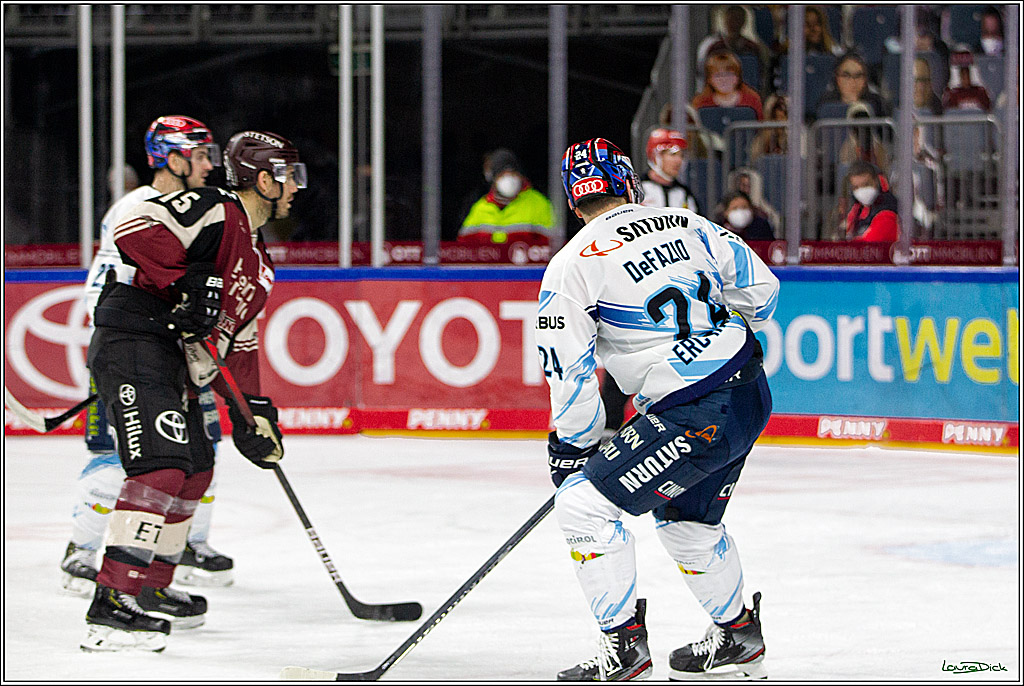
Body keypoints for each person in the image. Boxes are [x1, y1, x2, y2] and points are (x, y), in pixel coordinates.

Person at [540, 138, 778, 680]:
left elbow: (567, 369)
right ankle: (739, 636)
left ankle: (625, 653)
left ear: (575, 203)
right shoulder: (686, 222)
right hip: (747, 392)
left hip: (697, 413)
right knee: (687, 522)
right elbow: (763, 294)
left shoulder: (571, 265)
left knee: (582, 506)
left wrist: (572, 447)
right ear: (629, 183)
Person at [80, 130, 304, 652]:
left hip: (173, 362)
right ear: (264, 180)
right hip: (135, 340)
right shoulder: (216, 208)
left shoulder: (261, 264)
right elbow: (135, 230)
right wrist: (186, 281)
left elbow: (238, 345)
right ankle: (111, 604)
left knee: (196, 465)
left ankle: (152, 586)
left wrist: (254, 416)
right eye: (289, 175)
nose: (296, 186)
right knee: (161, 463)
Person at [62, 116, 234, 607]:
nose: (209, 165)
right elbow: (117, 286)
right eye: (199, 155)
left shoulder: (195, 205)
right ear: (172, 157)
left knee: (199, 455)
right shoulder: (136, 208)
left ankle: (182, 546)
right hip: (133, 348)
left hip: (176, 352)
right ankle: (82, 548)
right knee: (128, 460)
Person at [458, 148, 555, 245]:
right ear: (493, 178)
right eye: (502, 174)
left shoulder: (539, 204)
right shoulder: (480, 209)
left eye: (513, 173)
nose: (509, 178)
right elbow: (463, 250)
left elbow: (555, 246)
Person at [691, 50, 764, 120]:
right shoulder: (700, 102)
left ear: (738, 77)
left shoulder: (752, 100)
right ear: (709, 79)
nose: (724, 79)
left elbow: (762, 129)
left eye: (729, 74)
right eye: (718, 75)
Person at [817, 52, 891, 118]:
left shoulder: (877, 104)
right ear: (836, 78)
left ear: (865, 79)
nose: (852, 81)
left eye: (858, 76)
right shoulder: (826, 104)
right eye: (846, 75)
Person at [845, 160, 899, 242]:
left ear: (876, 181)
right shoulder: (857, 211)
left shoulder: (888, 210)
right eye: (856, 187)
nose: (862, 191)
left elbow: (869, 244)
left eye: (866, 184)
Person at [941, 46, 992, 112]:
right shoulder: (952, 94)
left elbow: (988, 109)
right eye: (962, 74)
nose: (965, 78)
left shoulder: (981, 93)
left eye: (967, 74)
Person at [750, 93, 789, 160]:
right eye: (778, 107)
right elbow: (755, 159)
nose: (781, 112)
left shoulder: (797, 134)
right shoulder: (763, 138)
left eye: (784, 108)